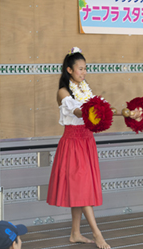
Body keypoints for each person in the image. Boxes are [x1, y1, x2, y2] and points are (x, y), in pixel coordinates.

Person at [46, 47, 111, 249]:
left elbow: (96, 110)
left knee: (80, 188)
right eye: (80, 69)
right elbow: (77, 111)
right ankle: (97, 233)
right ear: (69, 70)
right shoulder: (63, 91)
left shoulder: (86, 90)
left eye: (85, 69)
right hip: (73, 143)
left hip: (87, 142)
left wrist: (123, 114)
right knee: (81, 187)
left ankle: (75, 233)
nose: (83, 73)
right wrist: (95, 109)